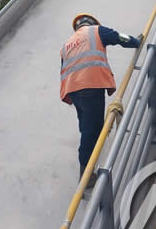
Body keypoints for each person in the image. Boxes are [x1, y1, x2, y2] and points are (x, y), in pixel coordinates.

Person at [60, 13, 141, 188]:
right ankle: (86, 175)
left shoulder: (67, 44)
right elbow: (119, 37)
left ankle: (87, 162)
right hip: (90, 85)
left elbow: (64, 68)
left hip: (73, 89)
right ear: (92, 23)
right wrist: (137, 42)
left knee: (85, 125)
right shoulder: (95, 31)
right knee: (92, 130)